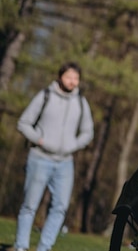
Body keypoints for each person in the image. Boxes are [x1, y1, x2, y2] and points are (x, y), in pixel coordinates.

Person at [14, 61, 94, 251]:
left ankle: (45, 247)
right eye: (69, 77)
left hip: (65, 163)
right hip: (40, 157)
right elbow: (23, 123)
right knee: (29, 206)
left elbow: (88, 132)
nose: (72, 81)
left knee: (60, 207)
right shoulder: (45, 96)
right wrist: (39, 140)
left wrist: (73, 145)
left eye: (76, 78)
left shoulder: (81, 102)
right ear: (60, 77)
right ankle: (21, 246)